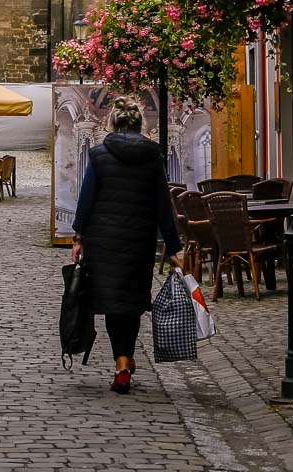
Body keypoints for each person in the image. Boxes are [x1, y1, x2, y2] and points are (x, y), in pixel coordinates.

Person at [71, 97, 182, 395]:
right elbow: (163, 204)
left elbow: (87, 198)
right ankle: (124, 359)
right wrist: (173, 247)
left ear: (113, 123)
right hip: (139, 240)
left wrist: (79, 236)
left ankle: (121, 362)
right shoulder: (154, 156)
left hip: (103, 240)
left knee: (111, 302)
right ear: (138, 124)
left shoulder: (98, 155)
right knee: (130, 303)